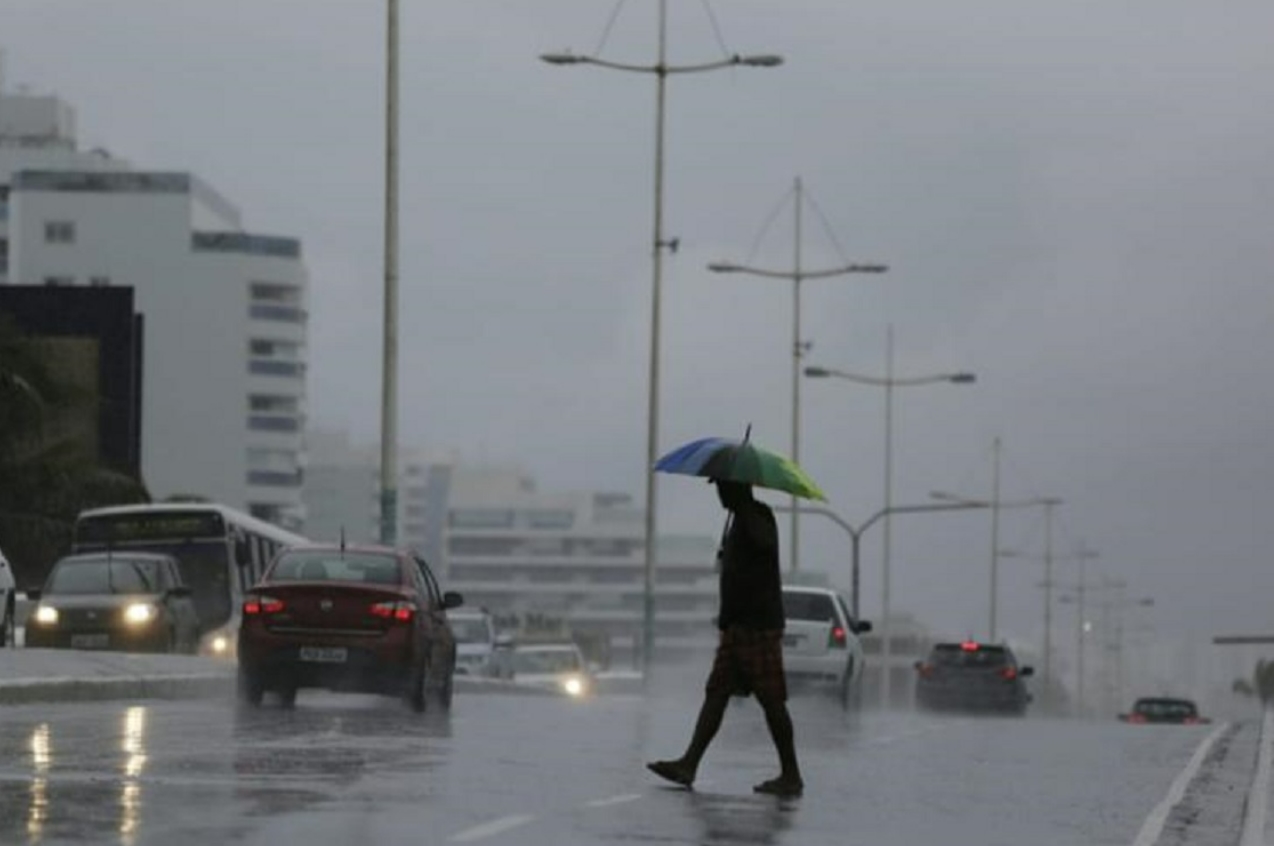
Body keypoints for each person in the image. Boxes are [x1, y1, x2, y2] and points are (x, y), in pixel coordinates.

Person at [647, 479, 804, 797]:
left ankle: (791, 774)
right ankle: (688, 764)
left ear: (737, 488)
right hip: (736, 627)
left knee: (772, 701)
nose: (718, 493)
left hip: (757, 626)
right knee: (716, 693)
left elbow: (764, 544)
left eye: (722, 487)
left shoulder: (757, 516)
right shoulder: (736, 521)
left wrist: (745, 511)